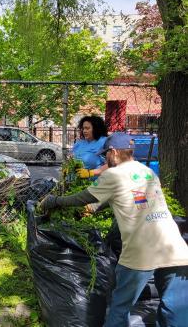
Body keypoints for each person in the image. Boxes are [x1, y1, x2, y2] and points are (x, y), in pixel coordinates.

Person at [40, 132, 188, 326]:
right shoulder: (147, 172)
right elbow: (133, 198)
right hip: (175, 247)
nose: (104, 159)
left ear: (115, 152)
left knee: (120, 306)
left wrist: (56, 201)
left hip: (141, 250)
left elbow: (82, 197)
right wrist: (94, 208)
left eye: (105, 155)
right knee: (175, 308)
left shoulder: (113, 174)